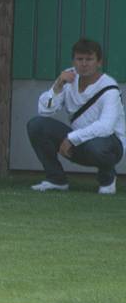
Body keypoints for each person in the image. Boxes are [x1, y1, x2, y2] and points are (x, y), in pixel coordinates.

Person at [27, 39, 125, 194]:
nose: (84, 64)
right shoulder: (69, 78)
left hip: (109, 147)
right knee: (36, 125)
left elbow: (106, 127)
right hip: (78, 144)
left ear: (99, 62)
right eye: (79, 59)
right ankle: (56, 179)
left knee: (97, 145)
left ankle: (107, 179)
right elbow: (44, 111)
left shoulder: (110, 88)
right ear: (73, 61)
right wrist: (58, 86)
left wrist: (72, 138)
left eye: (89, 59)